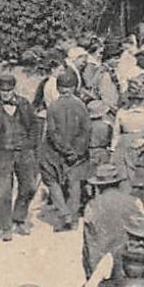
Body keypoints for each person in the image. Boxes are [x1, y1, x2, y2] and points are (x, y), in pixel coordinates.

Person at [0, 73, 40, 241]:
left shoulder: (24, 104)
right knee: (2, 191)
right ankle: (3, 226)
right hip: (2, 153)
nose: (6, 93)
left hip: (24, 152)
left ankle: (19, 218)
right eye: (3, 90)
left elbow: (35, 126)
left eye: (9, 90)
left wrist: (31, 144)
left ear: (14, 89)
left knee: (29, 186)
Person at [41, 70, 93, 231]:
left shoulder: (53, 107)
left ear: (58, 88)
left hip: (55, 152)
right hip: (77, 154)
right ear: (74, 87)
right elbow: (86, 131)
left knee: (52, 181)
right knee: (74, 183)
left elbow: (52, 132)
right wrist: (76, 152)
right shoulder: (81, 106)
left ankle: (65, 215)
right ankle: (75, 218)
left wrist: (64, 149)